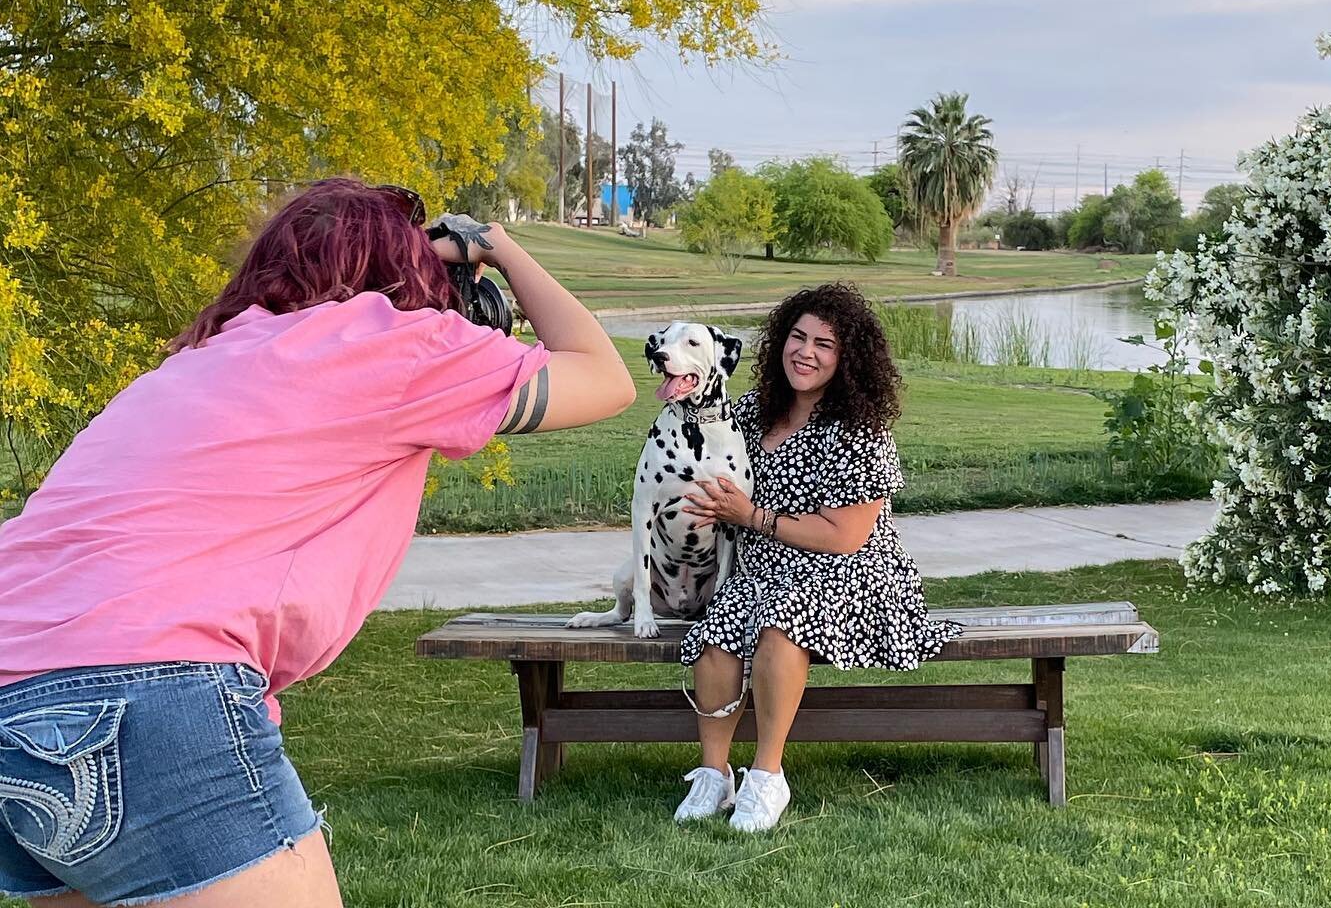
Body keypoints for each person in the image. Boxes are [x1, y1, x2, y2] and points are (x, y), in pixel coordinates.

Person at [0, 179, 634, 907]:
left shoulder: (196, 361)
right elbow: (605, 377)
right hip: (148, 693)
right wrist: (500, 247)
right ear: (405, 274)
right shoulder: (392, 341)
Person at [676, 282, 961, 832]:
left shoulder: (862, 429)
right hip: (763, 567)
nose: (805, 352)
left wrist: (751, 516)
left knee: (781, 626)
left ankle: (766, 777)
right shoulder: (749, 413)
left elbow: (845, 537)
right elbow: (699, 459)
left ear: (847, 358)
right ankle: (713, 774)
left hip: (850, 572)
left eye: (824, 344)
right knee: (716, 636)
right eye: (797, 336)